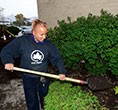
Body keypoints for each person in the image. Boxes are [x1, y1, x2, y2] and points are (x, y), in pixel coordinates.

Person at [0, 19, 66, 110]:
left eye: (45, 34)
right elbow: (6, 51)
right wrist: (8, 61)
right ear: (33, 32)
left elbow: (57, 58)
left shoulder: (48, 45)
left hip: (43, 76)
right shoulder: (23, 41)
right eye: (41, 34)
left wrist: (62, 72)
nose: (44, 37)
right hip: (28, 77)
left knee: (45, 98)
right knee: (32, 101)